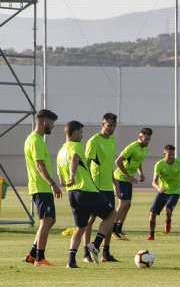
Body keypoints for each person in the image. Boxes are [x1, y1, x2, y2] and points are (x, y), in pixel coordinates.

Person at [56, 120, 117, 268]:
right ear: (75, 133)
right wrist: (72, 175)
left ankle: (71, 260)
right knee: (112, 214)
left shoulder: (60, 152)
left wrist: (68, 181)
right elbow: (75, 158)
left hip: (72, 193)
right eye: (81, 133)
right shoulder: (75, 146)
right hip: (85, 190)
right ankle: (95, 245)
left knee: (81, 227)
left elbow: (60, 179)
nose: (82, 136)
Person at [23, 109, 62, 267]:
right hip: (41, 186)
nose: (52, 126)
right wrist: (52, 183)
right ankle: (40, 258)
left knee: (51, 220)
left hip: (41, 187)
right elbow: (39, 165)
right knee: (46, 221)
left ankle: (32, 254)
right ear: (45, 123)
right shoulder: (36, 140)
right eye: (52, 123)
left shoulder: (34, 139)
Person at [83, 113, 118, 263]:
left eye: (114, 125)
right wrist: (91, 184)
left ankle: (105, 253)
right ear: (102, 124)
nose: (112, 128)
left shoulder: (112, 141)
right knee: (90, 220)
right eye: (109, 125)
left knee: (110, 219)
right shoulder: (94, 141)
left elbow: (108, 165)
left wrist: (114, 184)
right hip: (95, 187)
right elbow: (87, 164)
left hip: (108, 187)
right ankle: (86, 254)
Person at [112, 128, 152, 240]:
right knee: (123, 204)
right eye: (146, 139)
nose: (147, 141)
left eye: (149, 139)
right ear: (140, 137)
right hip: (121, 177)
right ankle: (112, 229)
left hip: (128, 179)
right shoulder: (131, 147)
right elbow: (118, 161)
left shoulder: (144, 149)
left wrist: (141, 173)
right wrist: (128, 176)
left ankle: (119, 229)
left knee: (128, 205)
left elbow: (138, 161)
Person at [147, 145, 180, 240]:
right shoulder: (159, 165)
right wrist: (158, 188)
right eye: (169, 155)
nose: (172, 157)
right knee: (152, 214)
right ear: (164, 154)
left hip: (175, 191)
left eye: (173, 154)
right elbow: (154, 181)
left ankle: (168, 220)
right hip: (163, 191)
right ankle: (151, 235)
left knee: (167, 211)